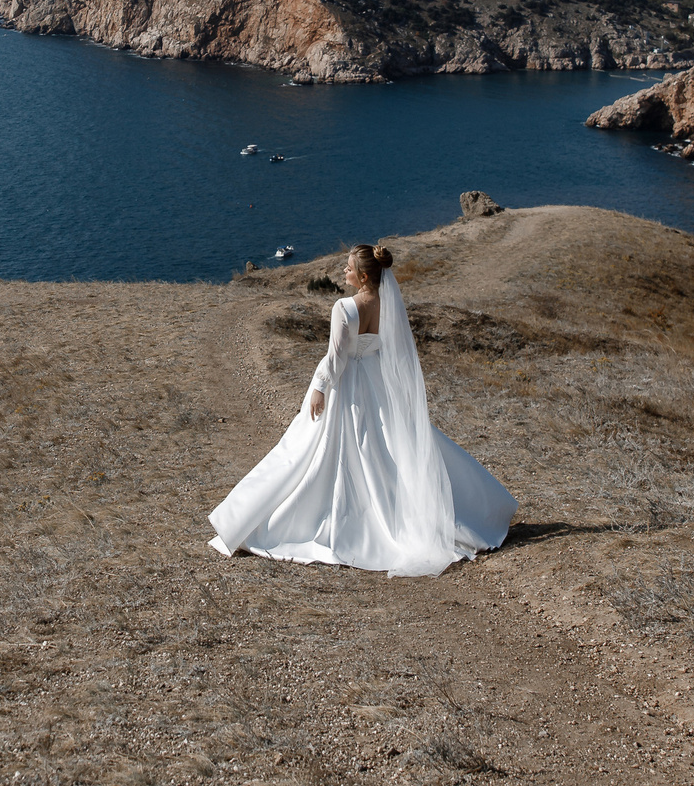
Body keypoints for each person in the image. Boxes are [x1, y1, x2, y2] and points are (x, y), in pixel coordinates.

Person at [208, 244, 515, 576]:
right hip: (376, 382)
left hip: (348, 386)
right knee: (389, 447)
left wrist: (320, 388)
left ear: (363, 275)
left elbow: (337, 359)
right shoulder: (388, 305)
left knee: (314, 452)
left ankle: (273, 520)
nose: (344, 271)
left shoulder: (344, 307)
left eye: (349, 267)